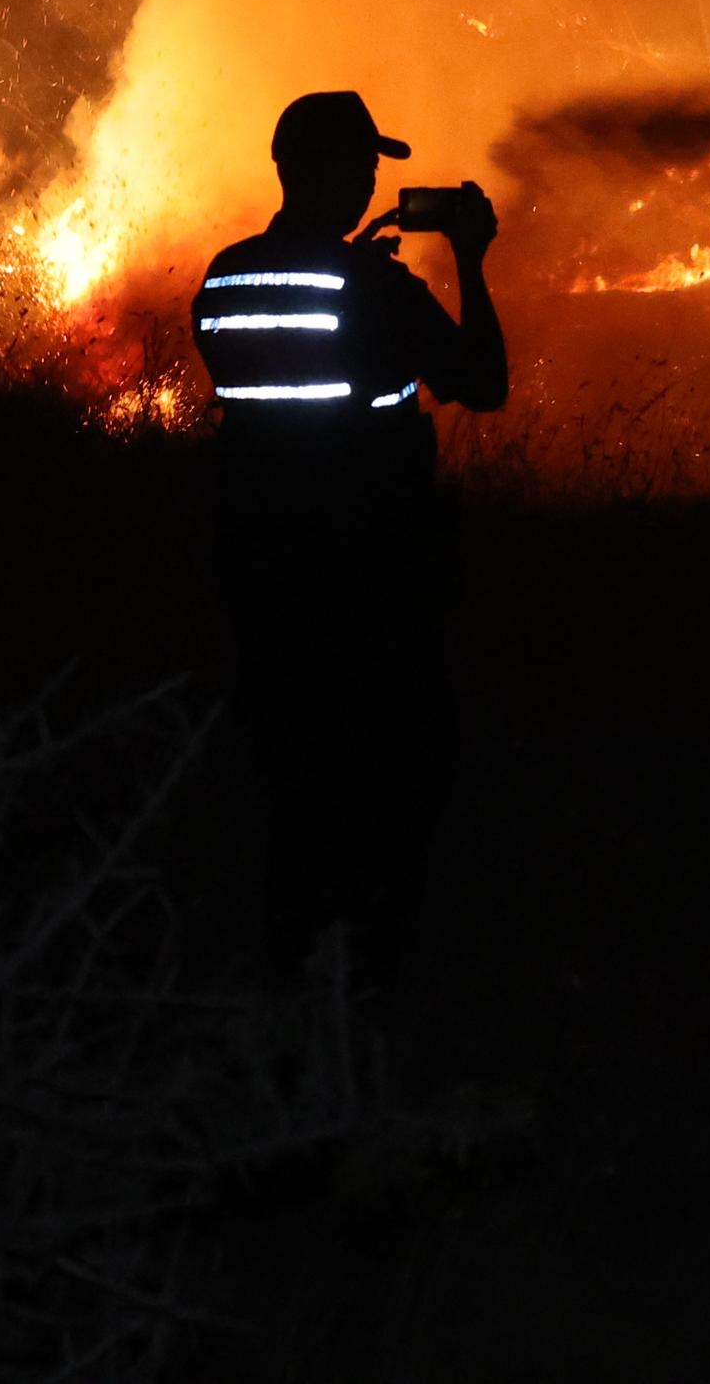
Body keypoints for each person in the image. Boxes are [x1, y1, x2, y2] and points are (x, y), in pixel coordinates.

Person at [191, 88, 508, 976]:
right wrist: (471, 264)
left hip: (264, 590)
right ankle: (363, 1016)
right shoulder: (375, 287)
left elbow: (298, 360)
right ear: (328, 170)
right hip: (373, 593)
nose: (375, 179)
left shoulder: (222, 278)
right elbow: (481, 382)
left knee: (289, 816)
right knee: (388, 814)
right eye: (366, 164)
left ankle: (286, 1000)